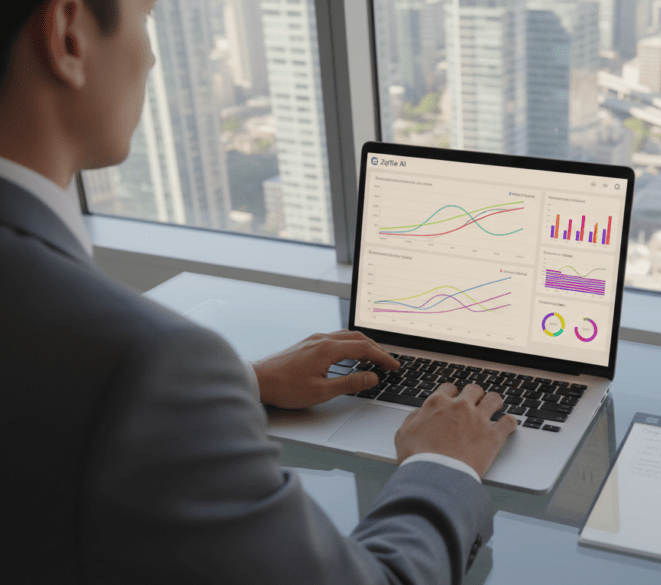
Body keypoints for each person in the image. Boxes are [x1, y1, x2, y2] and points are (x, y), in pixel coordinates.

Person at [0, 1, 517, 582]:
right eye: (145, 17)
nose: (150, 58)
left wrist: (242, 383)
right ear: (68, 34)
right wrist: (443, 465)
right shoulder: (148, 359)